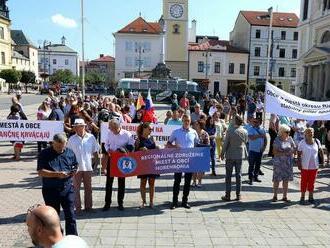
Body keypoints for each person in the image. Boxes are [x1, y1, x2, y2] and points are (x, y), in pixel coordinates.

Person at [37, 133, 78, 235]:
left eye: (63, 146)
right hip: (51, 190)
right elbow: (41, 171)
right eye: (58, 146)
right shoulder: (44, 154)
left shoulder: (69, 152)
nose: (60, 149)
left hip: (67, 188)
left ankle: (72, 238)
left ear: (66, 143)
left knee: (71, 215)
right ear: (53, 143)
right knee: (53, 218)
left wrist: (74, 170)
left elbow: (75, 164)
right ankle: (57, 238)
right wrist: (57, 174)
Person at [67, 119, 100, 214]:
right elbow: (68, 154)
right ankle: (78, 209)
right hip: (76, 168)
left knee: (88, 189)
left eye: (80, 126)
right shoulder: (72, 139)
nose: (77, 128)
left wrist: (96, 166)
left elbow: (96, 152)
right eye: (76, 127)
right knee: (76, 189)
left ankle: (88, 207)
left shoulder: (91, 137)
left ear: (84, 126)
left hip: (88, 167)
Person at [167, 114, 199, 209]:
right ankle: (174, 202)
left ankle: (185, 201)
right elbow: (168, 144)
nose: (186, 122)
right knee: (177, 181)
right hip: (179, 160)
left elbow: (197, 145)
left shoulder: (194, 132)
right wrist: (174, 147)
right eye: (185, 120)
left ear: (190, 121)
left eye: (188, 121)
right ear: (182, 121)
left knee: (187, 181)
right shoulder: (176, 132)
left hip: (189, 161)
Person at [102, 119, 135, 211]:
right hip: (111, 159)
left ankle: (120, 203)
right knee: (109, 182)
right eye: (109, 128)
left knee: (121, 182)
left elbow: (131, 147)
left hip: (122, 160)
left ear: (117, 127)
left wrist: (120, 150)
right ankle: (107, 203)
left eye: (111, 128)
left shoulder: (127, 134)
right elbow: (106, 144)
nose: (109, 129)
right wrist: (108, 149)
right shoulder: (109, 133)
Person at [220, 115, 248, 201]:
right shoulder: (245, 131)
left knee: (228, 175)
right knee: (238, 175)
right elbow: (246, 141)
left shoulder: (230, 131)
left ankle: (227, 195)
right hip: (240, 155)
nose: (231, 120)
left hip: (230, 155)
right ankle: (238, 195)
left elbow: (226, 144)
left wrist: (222, 153)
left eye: (233, 119)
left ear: (235, 121)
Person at [135, 122, 159, 208]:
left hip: (152, 164)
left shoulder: (153, 138)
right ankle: (144, 201)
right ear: (144, 129)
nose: (151, 131)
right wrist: (140, 149)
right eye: (150, 129)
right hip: (142, 164)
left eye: (152, 129)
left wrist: (158, 148)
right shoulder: (138, 139)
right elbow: (135, 153)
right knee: (143, 182)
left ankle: (151, 202)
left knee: (152, 183)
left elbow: (156, 150)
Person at [297, 128, 323, 204]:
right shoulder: (302, 142)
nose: (310, 133)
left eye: (311, 132)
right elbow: (298, 153)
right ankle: (302, 197)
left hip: (314, 166)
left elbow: (321, 150)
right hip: (305, 166)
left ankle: (311, 197)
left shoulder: (317, 141)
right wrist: (299, 163)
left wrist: (323, 161)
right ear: (305, 134)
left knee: (312, 182)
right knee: (304, 182)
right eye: (308, 132)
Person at [272, 125, 296, 203]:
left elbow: (294, 148)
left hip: (287, 163)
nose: (289, 133)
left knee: (286, 180)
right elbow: (274, 152)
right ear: (282, 132)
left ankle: (284, 196)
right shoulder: (277, 139)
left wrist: (293, 151)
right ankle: (275, 196)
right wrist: (285, 152)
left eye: (289, 132)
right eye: (287, 132)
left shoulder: (290, 139)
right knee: (277, 180)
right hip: (278, 163)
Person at [247, 117, 267, 185]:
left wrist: (264, 147)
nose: (254, 123)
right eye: (254, 122)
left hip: (260, 150)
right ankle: (250, 178)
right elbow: (250, 137)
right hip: (252, 150)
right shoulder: (250, 129)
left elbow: (265, 139)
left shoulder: (262, 129)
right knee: (251, 165)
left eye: (256, 122)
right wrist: (259, 135)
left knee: (258, 165)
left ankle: (256, 177)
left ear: (260, 123)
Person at [192, 120, 210, 187]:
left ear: (200, 125)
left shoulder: (205, 133)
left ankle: (199, 181)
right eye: (195, 124)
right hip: (193, 153)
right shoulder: (193, 133)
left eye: (196, 124)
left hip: (202, 153)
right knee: (194, 168)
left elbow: (208, 144)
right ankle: (194, 181)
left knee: (200, 169)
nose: (195, 125)